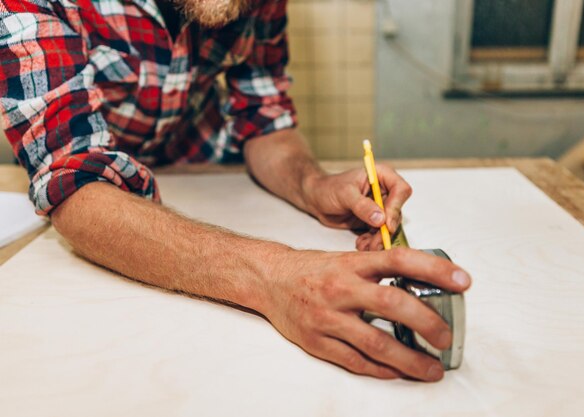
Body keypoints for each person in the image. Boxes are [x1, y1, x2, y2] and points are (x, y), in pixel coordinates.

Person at [0, 0, 471, 381]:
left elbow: (265, 121)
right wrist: (275, 276)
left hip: (204, 171)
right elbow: (73, 183)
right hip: (101, 210)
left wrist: (312, 184)